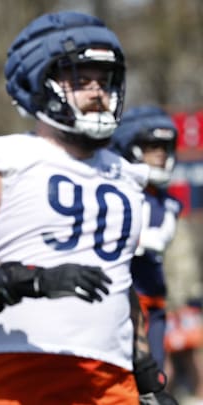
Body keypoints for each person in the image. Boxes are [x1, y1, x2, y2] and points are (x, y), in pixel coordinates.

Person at [0, 11, 176, 405]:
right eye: (80, 79)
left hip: (110, 379)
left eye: (104, 81)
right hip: (10, 372)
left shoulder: (126, 176)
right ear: (40, 84)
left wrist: (147, 377)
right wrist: (34, 281)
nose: (98, 92)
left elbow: (118, 282)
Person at [110, 105, 182, 371]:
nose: (161, 154)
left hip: (152, 300)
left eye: (165, 147)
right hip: (120, 299)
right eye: (152, 146)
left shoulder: (167, 202)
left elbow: (158, 240)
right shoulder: (115, 193)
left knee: (155, 374)